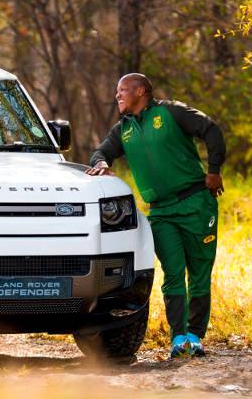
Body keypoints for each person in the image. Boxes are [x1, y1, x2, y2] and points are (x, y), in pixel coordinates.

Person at [86, 73, 225, 358]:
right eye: (117, 91)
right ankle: (178, 339)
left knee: (199, 272)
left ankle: (196, 336)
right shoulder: (123, 129)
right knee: (173, 274)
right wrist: (101, 163)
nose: (118, 95)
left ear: (141, 91)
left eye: (123, 89)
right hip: (161, 212)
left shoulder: (171, 112)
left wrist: (213, 171)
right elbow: (101, 152)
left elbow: (211, 130)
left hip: (196, 203)